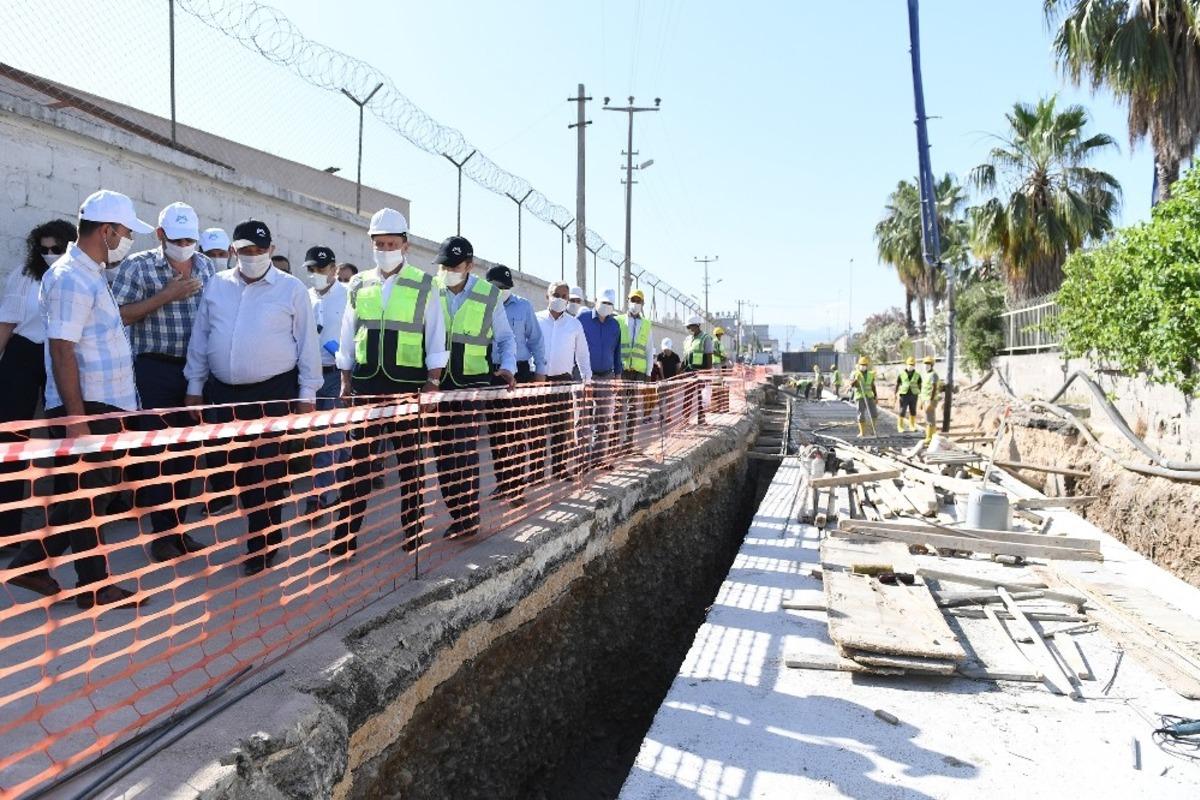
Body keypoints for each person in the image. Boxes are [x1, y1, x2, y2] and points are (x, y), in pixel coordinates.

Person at [5, 189, 150, 610]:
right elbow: (62, 349)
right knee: (88, 494)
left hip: (105, 404)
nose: (128, 239)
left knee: (85, 493)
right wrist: (77, 419)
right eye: (125, 231)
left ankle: (35, 566)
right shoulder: (71, 276)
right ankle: (94, 584)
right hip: (89, 406)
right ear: (106, 231)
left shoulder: (89, 273)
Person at [184, 219, 322, 576]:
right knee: (241, 473)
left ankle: (263, 544)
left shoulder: (291, 289)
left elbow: (307, 344)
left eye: (261, 250)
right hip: (224, 394)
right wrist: (194, 387)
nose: (253, 256)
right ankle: (258, 530)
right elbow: (201, 338)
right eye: (246, 250)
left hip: (273, 392)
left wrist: (307, 396)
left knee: (267, 471)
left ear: (271, 250)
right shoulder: (216, 286)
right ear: (234, 251)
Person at [335, 208, 446, 555]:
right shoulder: (358, 283)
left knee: (410, 465)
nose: (384, 249)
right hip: (367, 386)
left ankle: (413, 531)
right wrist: (346, 380)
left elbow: (436, 335)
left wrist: (432, 381)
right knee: (360, 466)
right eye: (379, 243)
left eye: (391, 243)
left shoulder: (425, 284)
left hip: (408, 388)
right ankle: (344, 538)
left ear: (405, 245)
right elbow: (348, 334)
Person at [112, 201, 215, 562]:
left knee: (186, 454)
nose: (185, 245)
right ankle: (160, 536)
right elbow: (118, 316)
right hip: (153, 368)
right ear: (160, 235)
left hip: (194, 371)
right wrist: (165, 297)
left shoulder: (207, 266)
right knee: (158, 454)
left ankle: (178, 531)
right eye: (177, 238)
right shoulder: (137, 267)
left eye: (190, 238)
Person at [431, 236, 516, 539]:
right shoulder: (431, 289)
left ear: (470, 265)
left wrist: (508, 367)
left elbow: (505, 338)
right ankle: (458, 512)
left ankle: (470, 516)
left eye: (455, 265)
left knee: (464, 450)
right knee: (443, 452)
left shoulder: (488, 294)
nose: (448, 270)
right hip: (438, 382)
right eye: (444, 265)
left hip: (473, 382)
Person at [0, 219, 76, 545]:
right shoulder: (25, 275)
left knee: (65, 433)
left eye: (56, 249)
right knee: (10, 437)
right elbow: (6, 323)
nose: (49, 255)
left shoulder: (82, 277)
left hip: (60, 357)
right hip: (24, 354)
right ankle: (6, 530)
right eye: (43, 249)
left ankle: (63, 526)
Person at [484, 264, 545, 505]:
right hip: (491, 373)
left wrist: (540, 372)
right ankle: (503, 483)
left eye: (506, 288)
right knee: (497, 431)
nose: (502, 291)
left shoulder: (524, 307)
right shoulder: (481, 305)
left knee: (517, 430)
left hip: (519, 372)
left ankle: (517, 485)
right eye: (497, 287)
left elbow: (537, 340)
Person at [304, 245, 348, 516]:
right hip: (308, 374)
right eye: (312, 269)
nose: (317, 274)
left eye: (322, 269)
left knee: (327, 436)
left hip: (335, 373)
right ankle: (343, 481)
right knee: (332, 438)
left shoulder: (347, 296)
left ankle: (319, 497)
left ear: (334, 269)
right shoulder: (303, 296)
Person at [533, 281, 591, 482]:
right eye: (556, 294)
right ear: (547, 295)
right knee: (537, 428)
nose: (560, 299)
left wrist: (587, 379)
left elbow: (582, 354)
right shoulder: (536, 319)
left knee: (560, 427)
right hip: (538, 380)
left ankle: (559, 469)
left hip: (563, 380)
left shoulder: (574, 324)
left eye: (564, 296)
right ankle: (536, 473)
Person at [577, 288, 622, 468]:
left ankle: (598, 458)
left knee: (604, 419)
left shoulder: (615, 325)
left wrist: (618, 375)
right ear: (595, 301)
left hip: (606, 376)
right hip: (585, 376)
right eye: (604, 302)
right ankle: (582, 459)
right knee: (583, 419)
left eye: (610, 304)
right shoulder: (583, 320)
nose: (606, 306)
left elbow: (617, 351)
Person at [616, 288, 653, 453]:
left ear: (643, 304)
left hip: (638, 372)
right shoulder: (618, 320)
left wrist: (648, 373)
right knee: (618, 406)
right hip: (621, 370)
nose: (635, 304)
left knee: (632, 408)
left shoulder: (646, 324)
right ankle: (615, 441)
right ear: (628, 301)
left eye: (638, 301)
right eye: (633, 300)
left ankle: (628, 441)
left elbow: (649, 350)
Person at [682, 314, 713, 424]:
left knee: (700, 396)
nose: (689, 329)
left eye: (691, 326)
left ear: (697, 325)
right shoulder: (688, 339)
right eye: (688, 327)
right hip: (689, 372)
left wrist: (707, 374)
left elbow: (709, 357)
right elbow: (685, 357)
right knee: (687, 395)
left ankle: (701, 418)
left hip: (701, 372)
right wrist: (680, 372)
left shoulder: (706, 338)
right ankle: (685, 419)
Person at [847, 355, 878, 437]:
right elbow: (851, 385)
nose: (863, 366)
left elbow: (873, 386)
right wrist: (856, 380)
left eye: (864, 365)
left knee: (874, 413)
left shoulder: (871, 374)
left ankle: (872, 430)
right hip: (860, 396)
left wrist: (875, 396)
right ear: (859, 365)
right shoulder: (855, 374)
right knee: (861, 414)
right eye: (861, 365)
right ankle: (862, 432)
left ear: (867, 366)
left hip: (869, 396)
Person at [919, 355, 941, 445]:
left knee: (930, 419)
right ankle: (931, 436)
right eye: (925, 363)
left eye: (928, 364)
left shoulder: (933, 374)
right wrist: (921, 401)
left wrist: (931, 400)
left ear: (932, 365)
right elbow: (923, 389)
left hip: (930, 399)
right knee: (928, 418)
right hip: (925, 399)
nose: (926, 365)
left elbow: (934, 388)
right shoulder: (925, 375)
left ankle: (930, 438)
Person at [895, 356, 920, 433]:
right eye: (909, 364)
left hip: (913, 395)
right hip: (904, 395)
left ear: (914, 365)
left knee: (913, 410)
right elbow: (897, 384)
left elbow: (920, 385)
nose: (911, 366)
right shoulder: (901, 374)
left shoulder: (917, 375)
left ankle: (912, 426)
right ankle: (900, 426)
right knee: (902, 411)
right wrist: (895, 393)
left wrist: (920, 393)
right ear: (906, 364)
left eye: (912, 365)